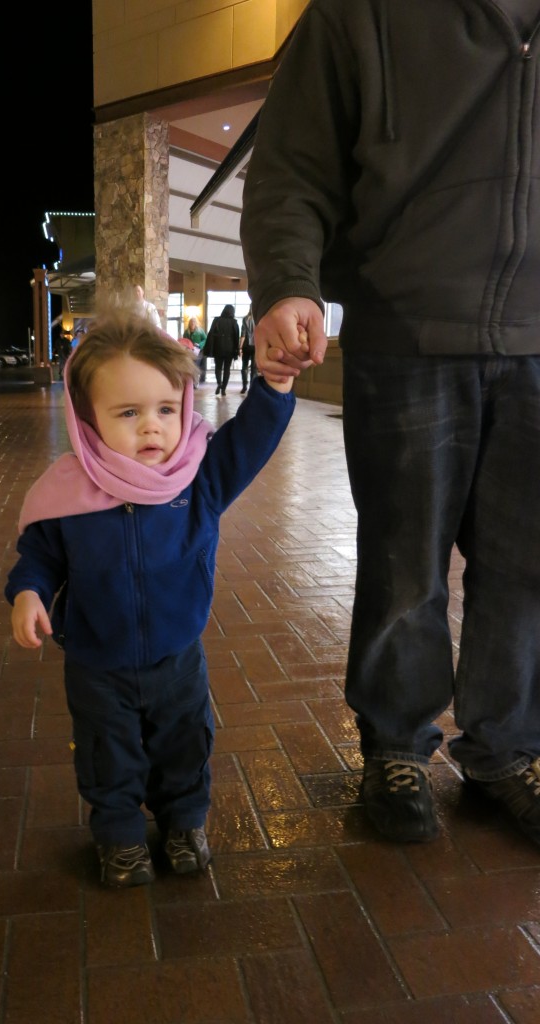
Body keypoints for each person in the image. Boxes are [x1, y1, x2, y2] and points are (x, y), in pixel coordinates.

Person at [240, 0, 540, 848]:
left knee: (529, 570)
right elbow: (293, 164)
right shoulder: (357, 12)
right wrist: (288, 282)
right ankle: (396, 747)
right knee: (404, 563)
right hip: (405, 329)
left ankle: (507, 749)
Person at [5, 309, 295, 887]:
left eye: (166, 409)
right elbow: (40, 555)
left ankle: (185, 823)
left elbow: (249, 442)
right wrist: (28, 593)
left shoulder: (199, 480)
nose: (152, 429)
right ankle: (119, 838)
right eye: (129, 413)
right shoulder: (68, 491)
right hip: (96, 663)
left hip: (177, 657)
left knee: (184, 746)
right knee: (106, 754)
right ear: (88, 418)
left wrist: (278, 385)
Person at [205, 304, 239, 396]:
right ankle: (223, 389)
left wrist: (209, 348)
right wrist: (237, 351)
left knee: (218, 368)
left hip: (218, 348)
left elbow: (211, 334)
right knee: (227, 369)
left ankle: (219, 383)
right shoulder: (234, 322)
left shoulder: (216, 320)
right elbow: (236, 337)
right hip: (230, 349)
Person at [183, 315, 208, 382]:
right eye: (191, 322)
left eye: (193, 322)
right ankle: (193, 380)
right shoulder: (186, 332)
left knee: (197, 364)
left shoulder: (200, 331)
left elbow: (205, 339)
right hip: (190, 350)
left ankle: (198, 380)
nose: (192, 324)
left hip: (199, 350)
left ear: (196, 323)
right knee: (191, 364)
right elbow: (184, 340)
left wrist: (199, 345)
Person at [239, 307, 257, 395]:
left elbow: (243, 334)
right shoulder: (259, 318)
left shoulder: (245, 319)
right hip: (256, 347)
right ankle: (252, 388)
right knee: (254, 368)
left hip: (246, 346)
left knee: (244, 367)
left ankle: (244, 386)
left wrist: (240, 347)